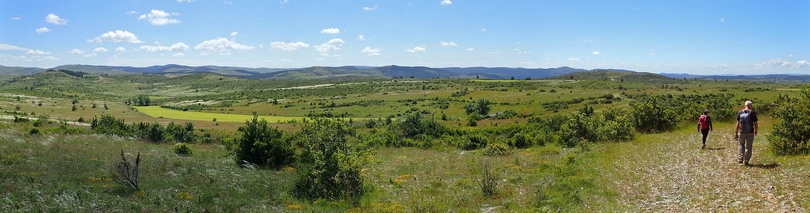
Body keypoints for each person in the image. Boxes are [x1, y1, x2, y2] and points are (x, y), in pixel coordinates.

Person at [735, 100, 759, 166]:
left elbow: (738, 124)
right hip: (750, 132)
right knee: (748, 146)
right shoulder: (752, 113)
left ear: (745, 105)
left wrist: (736, 132)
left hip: (742, 132)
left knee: (741, 145)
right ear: (750, 106)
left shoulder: (740, 112)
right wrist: (756, 130)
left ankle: (740, 159)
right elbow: (755, 123)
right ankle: (746, 160)